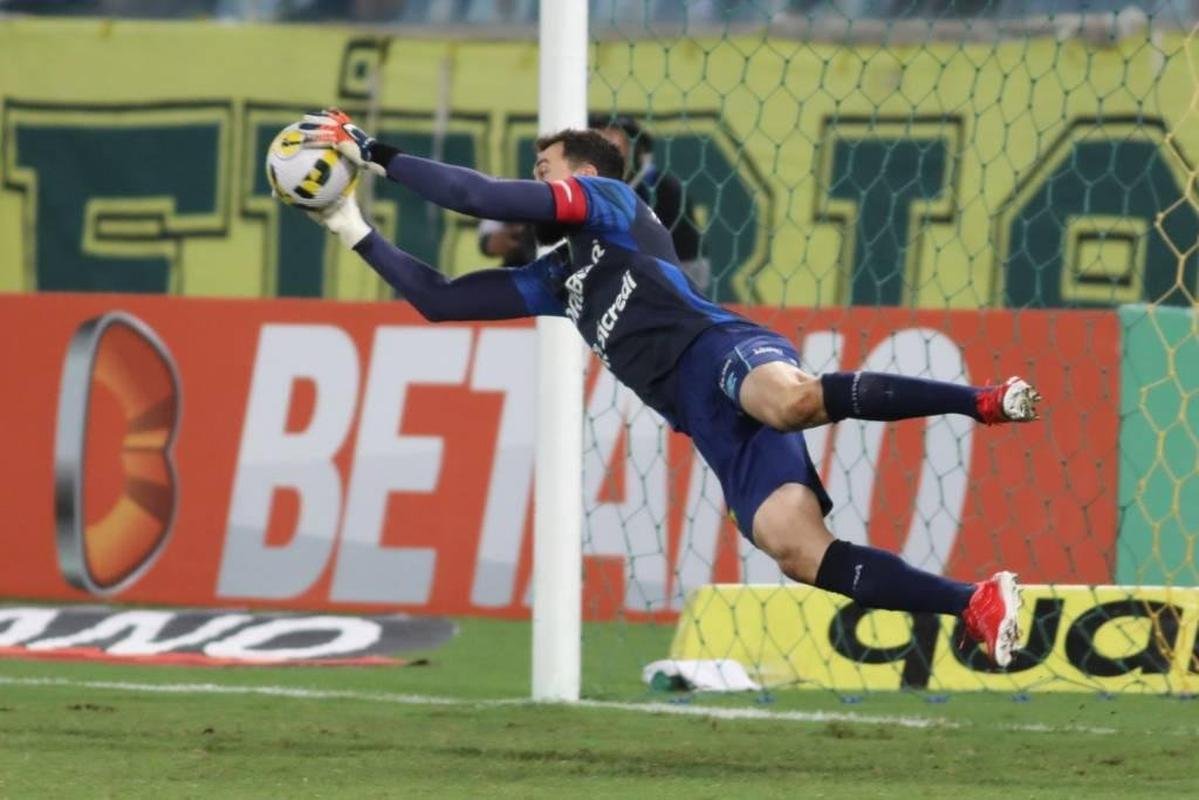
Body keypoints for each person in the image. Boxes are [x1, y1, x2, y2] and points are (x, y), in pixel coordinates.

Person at [299, 109, 1038, 667]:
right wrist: (348, 223)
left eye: (543, 164)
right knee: (796, 551)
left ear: (576, 174)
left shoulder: (609, 203)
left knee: (790, 399)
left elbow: (476, 194)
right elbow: (443, 300)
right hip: (706, 423)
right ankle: (972, 600)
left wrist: (372, 151)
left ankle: (976, 400)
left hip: (720, 350)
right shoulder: (561, 279)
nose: (533, 178)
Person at [589, 114, 710, 294]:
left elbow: (693, 266)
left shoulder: (663, 190)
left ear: (637, 150)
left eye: (613, 138)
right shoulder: (580, 192)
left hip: (658, 296)